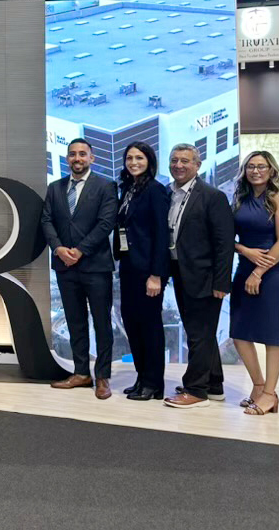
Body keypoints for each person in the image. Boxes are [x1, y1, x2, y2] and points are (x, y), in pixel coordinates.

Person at [41, 138, 118, 399]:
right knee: (75, 322)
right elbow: (46, 220)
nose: (77, 158)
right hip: (65, 267)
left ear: (91, 158)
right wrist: (59, 249)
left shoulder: (106, 186)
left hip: (96, 266)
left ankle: (103, 377)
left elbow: (106, 223)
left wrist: (81, 250)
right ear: (67, 158)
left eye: (83, 154)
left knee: (102, 323)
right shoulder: (55, 188)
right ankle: (81, 373)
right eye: (73, 154)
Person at [163, 144, 235, 409]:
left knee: (199, 334)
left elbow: (224, 243)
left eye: (185, 161)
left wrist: (221, 282)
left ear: (197, 165)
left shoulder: (212, 196)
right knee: (201, 332)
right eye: (174, 160)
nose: (179, 165)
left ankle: (196, 391)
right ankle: (214, 385)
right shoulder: (167, 193)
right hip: (180, 274)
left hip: (205, 277)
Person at [230, 151, 279, 416]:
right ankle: (258, 385)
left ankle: (270, 394)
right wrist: (245, 251)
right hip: (245, 266)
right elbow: (227, 237)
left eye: (261, 166)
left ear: (271, 171)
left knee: (271, 334)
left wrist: (258, 272)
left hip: (273, 271)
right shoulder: (239, 200)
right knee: (239, 333)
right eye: (251, 166)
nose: (255, 171)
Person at [114, 142, 169, 401]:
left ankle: (153, 383)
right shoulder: (128, 189)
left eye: (139, 158)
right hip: (129, 267)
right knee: (132, 324)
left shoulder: (155, 190)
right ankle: (141, 377)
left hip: (149, 271)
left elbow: (161, 235)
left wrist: (156, 275)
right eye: (129, 158)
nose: (134, 162)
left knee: (149, 327)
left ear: (149, 161)